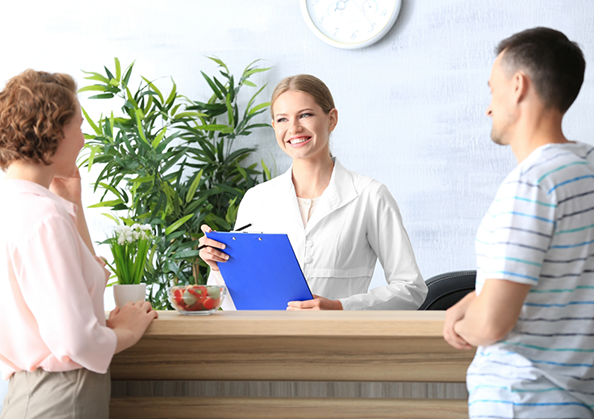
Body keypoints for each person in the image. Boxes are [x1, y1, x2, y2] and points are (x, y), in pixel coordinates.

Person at [443, 27, 594, 418]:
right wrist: (478, 297)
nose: (489, 107)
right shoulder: (585, 170)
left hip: (522, 400)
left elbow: (491, 325)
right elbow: (564, 279)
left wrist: (461, 323)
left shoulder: (533, 183)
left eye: (492, 90)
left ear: (517, 86)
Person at [0, 70, 157, 419]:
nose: (84, 140)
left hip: (28, 394)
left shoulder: (17, 206)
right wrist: (126, 333)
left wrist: (73, 200)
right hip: (62, 397)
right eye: (80, 126)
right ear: (53, 131)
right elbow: (77, 341)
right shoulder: (44, 216)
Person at [199, 74, 427, 310]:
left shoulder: (370, 195)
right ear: (274, 126)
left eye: (305, 115)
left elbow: (410, 288)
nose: (294, 128)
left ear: (331, 119)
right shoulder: (258, 199)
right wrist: (219, 267)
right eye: (282, 119)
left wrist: (340, 307)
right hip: (269, 341)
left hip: (337, 340)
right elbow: (229, 303)